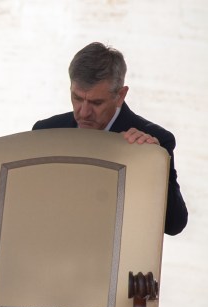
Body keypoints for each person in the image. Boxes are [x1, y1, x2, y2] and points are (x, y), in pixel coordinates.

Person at [32, 42, 188, 236]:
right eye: (77, 98)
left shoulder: (155, 141)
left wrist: (152, 164)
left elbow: (174, 225)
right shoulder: (46, 133)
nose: (84, 112)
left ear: (120, 95)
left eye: (96, 102)